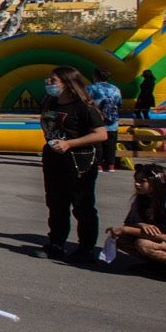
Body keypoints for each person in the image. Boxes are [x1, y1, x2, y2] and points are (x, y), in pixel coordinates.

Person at [37, 66, 108, 262]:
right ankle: (56, 243)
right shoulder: (50, 102)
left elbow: (101, 134)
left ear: (67, 84)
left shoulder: (84, 106)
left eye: (53, 81)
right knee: (56, 203)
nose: (48, 83)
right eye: (48, 80)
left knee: (82, 205)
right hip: (54, 159)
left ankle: (86, 248)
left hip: (78, 162)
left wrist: (69, 143)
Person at [86, 68, 122, 172]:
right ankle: (111, 165)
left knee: (97, 144)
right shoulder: (115, 89)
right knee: (110, 144)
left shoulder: (91, 88)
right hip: (112, 121)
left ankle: (98, 165)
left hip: (96, 121)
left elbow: (85, 103)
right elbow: (119, 104)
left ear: (95, 76)